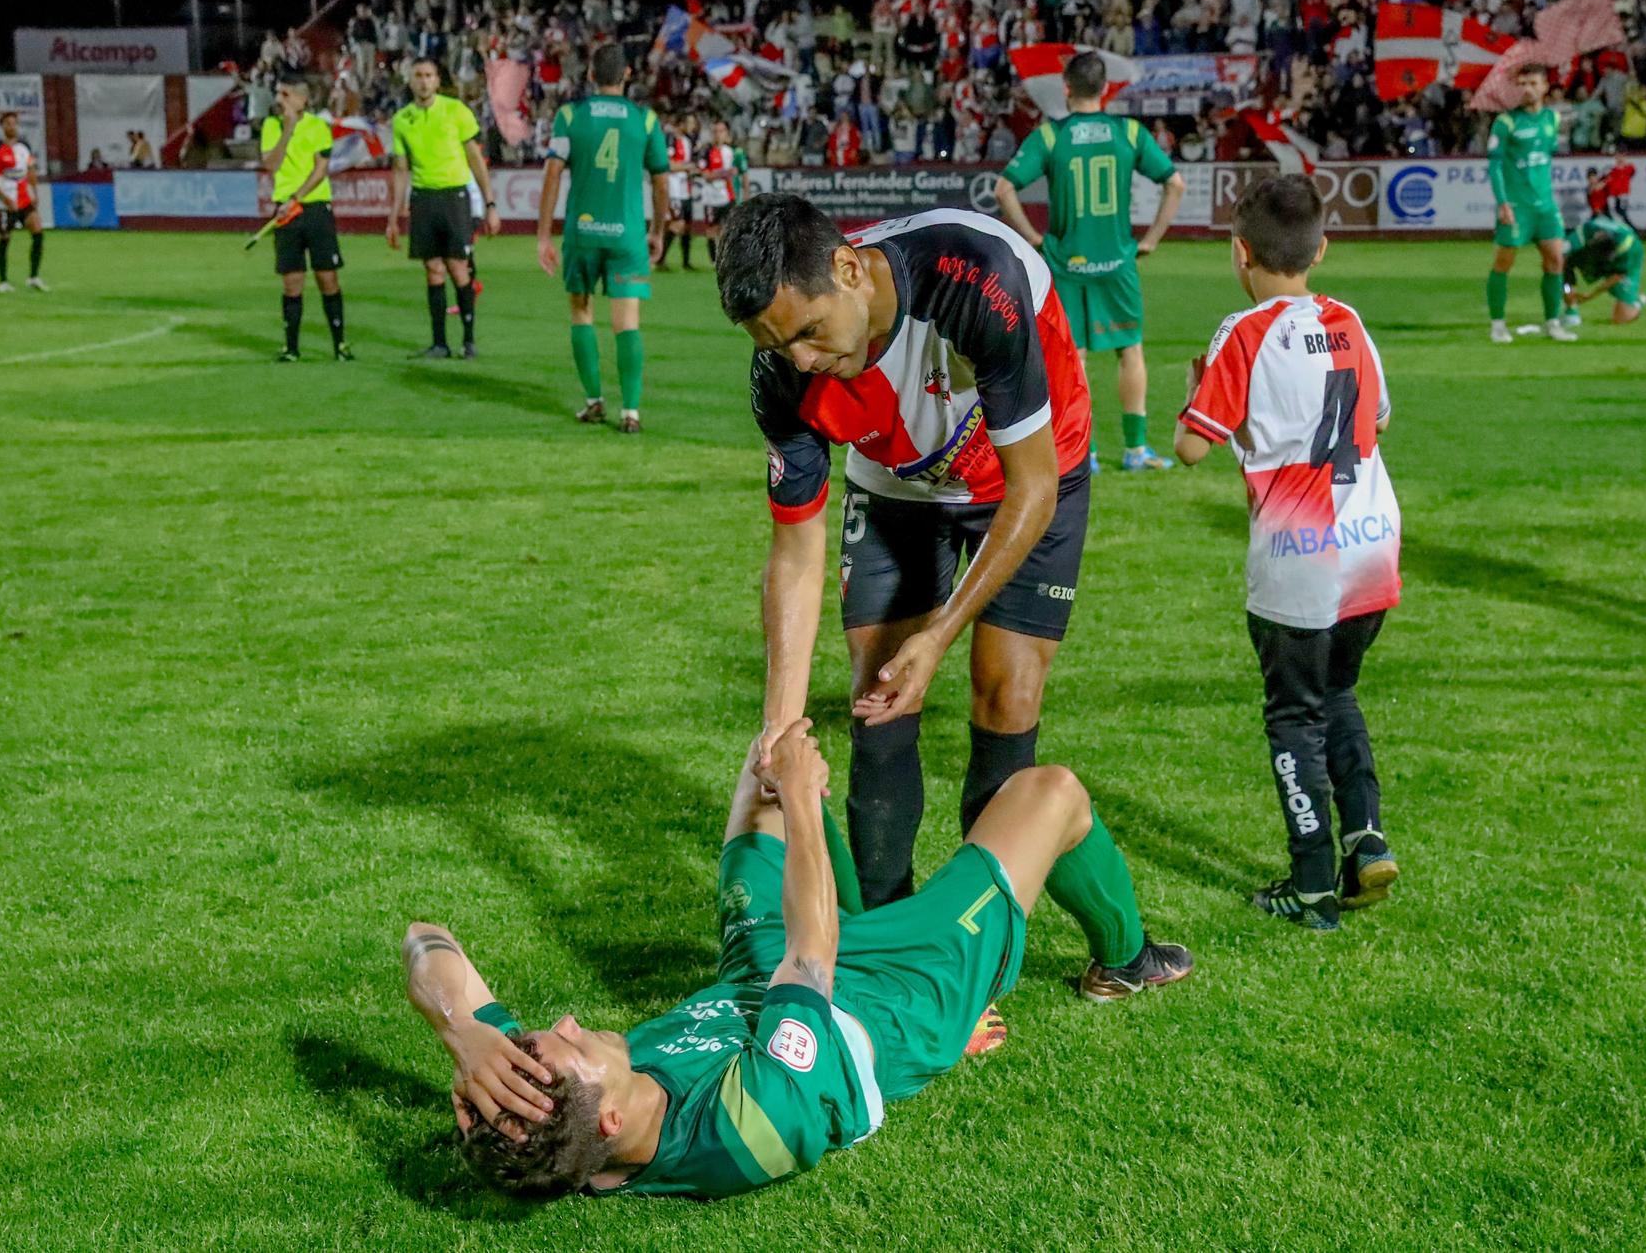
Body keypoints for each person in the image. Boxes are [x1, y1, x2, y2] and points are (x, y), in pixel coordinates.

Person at [408, 724, 1193, 1199]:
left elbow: (424, 939)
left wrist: (464, 1032)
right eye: (573, 1043)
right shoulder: (750, 1123)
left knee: (760, 782)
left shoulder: (551, 1115)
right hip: (892, 998)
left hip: (763, 976)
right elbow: (813, 955)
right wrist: (803, 789)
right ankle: (1124, 960)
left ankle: (799, 795)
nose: (570, 1021)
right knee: (1048, 791)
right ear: (612, 1120)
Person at [718, 195, 1094, 914]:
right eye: (777, 345)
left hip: (1031, 474)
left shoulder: (976, 278)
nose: (803, 360)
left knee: (1005, 693)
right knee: (878, 696)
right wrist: (780, 727)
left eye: (809, 331)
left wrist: (940, 631)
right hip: (897, 482)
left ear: (849, 269)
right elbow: (795, 553)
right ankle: (888, 937)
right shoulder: (783, 372)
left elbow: (1034, 487)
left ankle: (974, 943)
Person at [1173, 175, 1402, 931]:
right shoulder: (1351, 318)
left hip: (1297, 548)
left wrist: (1197, 392)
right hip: (1371, 537)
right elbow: (1380, 417)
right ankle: (1365, 837)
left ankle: (1310, 883)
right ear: (1321, 249)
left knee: (1293, 713)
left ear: (1241, 253)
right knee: (1338, 693)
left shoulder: (1241, 332)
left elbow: (1190, 449)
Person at [995, 51, 1187, 474]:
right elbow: (1174, 183)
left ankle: (1088, 452)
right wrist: (1151, 239)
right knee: (1130, 352)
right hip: (1117, 262)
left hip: (1067, 265)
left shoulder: (1050, 137)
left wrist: (1033, 238)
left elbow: (1004, 188)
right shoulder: (1130, 133)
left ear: (1065, 88)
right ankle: (1136, 450)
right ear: (1105, 89)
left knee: (1074, 360)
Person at [536, 44, 670, 433]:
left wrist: (544, 234)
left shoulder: (569, 116)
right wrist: (657, 230)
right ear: (627, 73)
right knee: (627, 323)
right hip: (627, 236)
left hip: (582, 234)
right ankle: (631, 411)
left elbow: (552, 174)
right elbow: (661, 181)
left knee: (581, 313)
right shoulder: (645, 121)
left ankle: (594, 401)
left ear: (591, 75)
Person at [387, 58, 500, 359]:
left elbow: (475, 159)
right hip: (423, 198)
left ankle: (469, 341)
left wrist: (490, 204)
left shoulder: (455, 111)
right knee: (432, 270)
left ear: (438, 81)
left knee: (458, 268)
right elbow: (400, 170)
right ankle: (439, 344)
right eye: (418, 76)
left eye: (429, 76)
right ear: (410, 81)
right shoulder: (401, 120)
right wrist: (393, 216)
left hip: (454, 196)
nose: (423, 81)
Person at [261, 75, 353, 362]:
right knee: (292, 281)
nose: (280, 100)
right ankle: (291, 348)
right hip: (284, 211)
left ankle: (339, 345)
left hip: (313, 208)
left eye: (286, 95)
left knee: (328, 277)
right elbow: (271, 165)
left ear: (303, 100)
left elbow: (320, 170)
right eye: (279, 94)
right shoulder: (271, 126)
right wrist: (287, 130)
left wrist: (296, 198)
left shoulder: (318, 127)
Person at [1484, 63, 1574, 344]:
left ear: (1545, 87)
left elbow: (1545, 157)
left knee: (1556, 261)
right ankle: (1498, 324)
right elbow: (1495, 165)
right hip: (1517, 206)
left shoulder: (1552, 120)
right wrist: (1503, 202)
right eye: (1522, 84)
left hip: (1545, 206)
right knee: (1504, 261)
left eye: (1533, 83)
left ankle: (1553, 323)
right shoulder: (1506, 122)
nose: (1527, 89)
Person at [0, 110, 47, 294]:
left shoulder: (25, 146)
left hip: (24, 198)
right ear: (2, 126)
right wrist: (3, 197)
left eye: (14, 123)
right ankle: (3, 281)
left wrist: (34, 193)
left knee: (38, 233)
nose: (12, 126)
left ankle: (33, 277)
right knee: (4, 239)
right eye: (8, 123)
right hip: (5, 202)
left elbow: (31, 171)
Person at [1560, 213, 1646, 326]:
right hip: (1593, 249)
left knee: (1620, 319)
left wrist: (1590, 295)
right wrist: (1568, 290)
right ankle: (1571, 310)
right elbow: (1560, 258)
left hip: (1629, 257)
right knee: (1562, 265)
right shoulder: (1582, 234)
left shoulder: (1627, 249)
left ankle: (1636, 301)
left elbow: (1617, 274)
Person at [700, 118, 749, 265]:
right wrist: (725, 173)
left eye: (721, 131)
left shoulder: (733, 152)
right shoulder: (706, 151)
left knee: (729, 228)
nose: (717, 134)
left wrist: (746, 193)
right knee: (711, 230)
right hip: (711, 197)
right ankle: (714, 261)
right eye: (715, 131)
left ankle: (729, 259)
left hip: (729, 195)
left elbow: (742, 173)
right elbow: (705, 175)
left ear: (726, 133)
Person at [656, 114, 697, 271]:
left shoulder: (688, 141)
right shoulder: (670, 139)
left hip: (685, 188)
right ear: (681, 124)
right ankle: (660, 258)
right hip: (673, 189)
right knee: (676, 224)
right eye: (690, 122)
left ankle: (686, 262)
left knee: (686, 225)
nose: (693, 126)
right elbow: (668, 165)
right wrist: (687, 167)